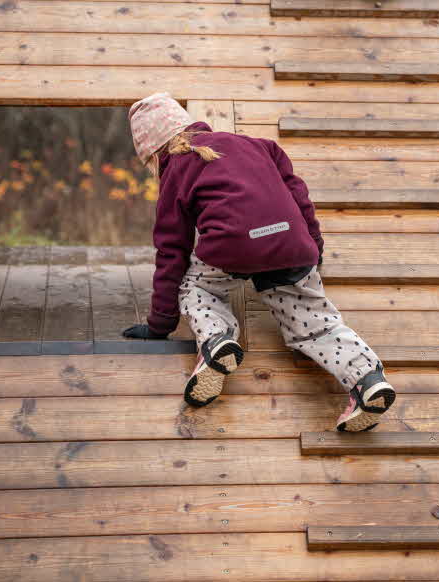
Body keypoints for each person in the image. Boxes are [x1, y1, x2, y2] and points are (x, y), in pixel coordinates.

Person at [122, 92, 396, 433]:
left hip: (232, 250)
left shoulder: (176, 171)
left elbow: (171, 251)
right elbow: (300, 197)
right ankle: (366, 378)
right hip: (291, 243)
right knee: (317, 325)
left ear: (154, 152)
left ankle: (216, 340)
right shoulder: (260, 145)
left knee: (195, 288)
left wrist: (159, 324)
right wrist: (313, 247)